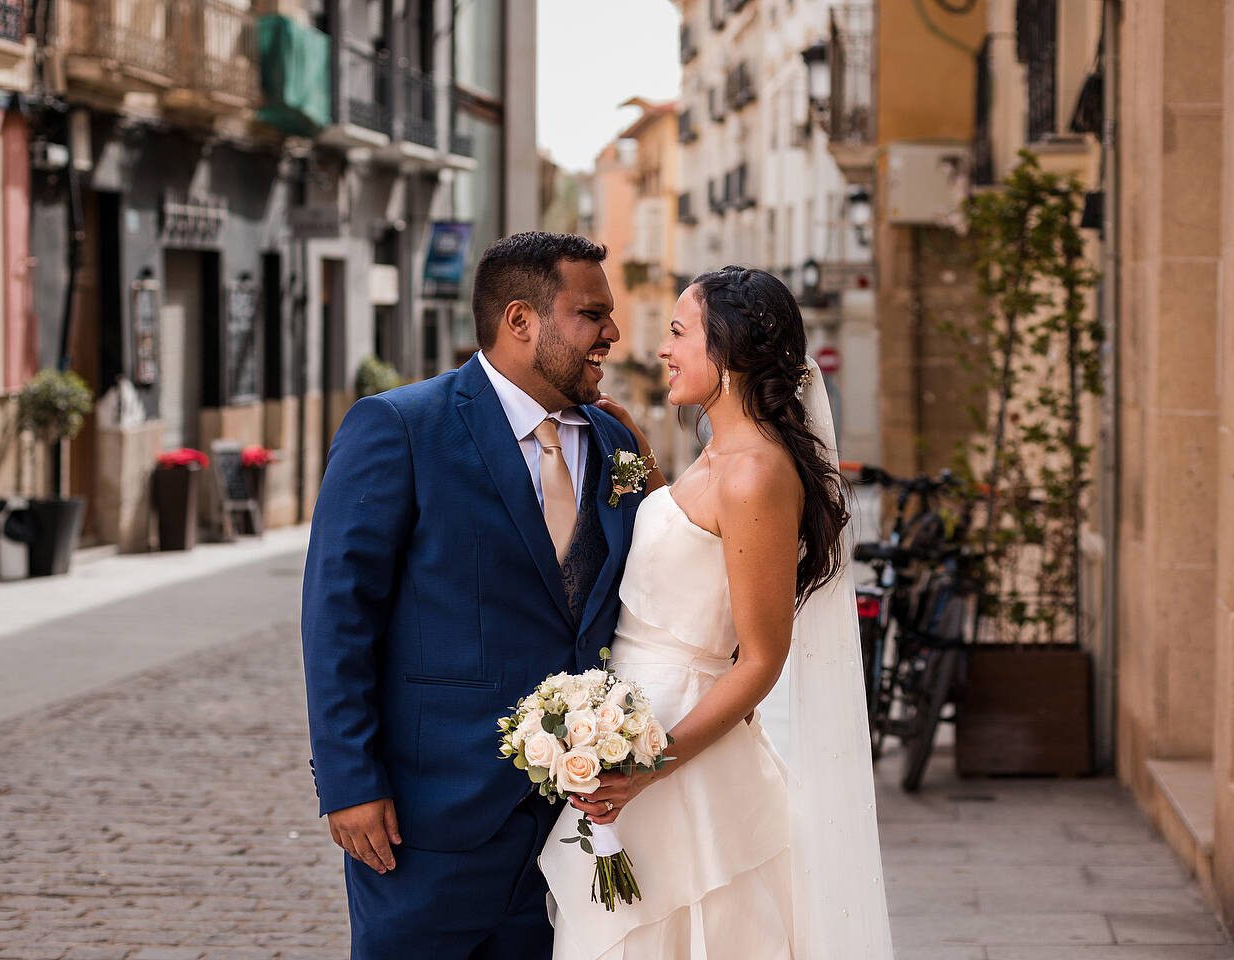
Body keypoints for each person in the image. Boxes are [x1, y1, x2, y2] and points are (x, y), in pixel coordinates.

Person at [301, 232, 654, 959]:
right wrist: (347, 781)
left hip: (575, 826)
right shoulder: (401, 427)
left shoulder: (617, 442)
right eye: (591, 315)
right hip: (429, 819)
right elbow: (338, 618)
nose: (612, 335)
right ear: (520, 320)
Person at [539, 266, 895, 959]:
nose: (663, 350)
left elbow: (761, 658)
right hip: (640, 724)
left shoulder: (755, 470)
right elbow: (693, 549)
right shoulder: (719, 454)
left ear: (725, 349)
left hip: (681, 753)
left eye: (678, 333)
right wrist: (641, 458)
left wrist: (649, 767)